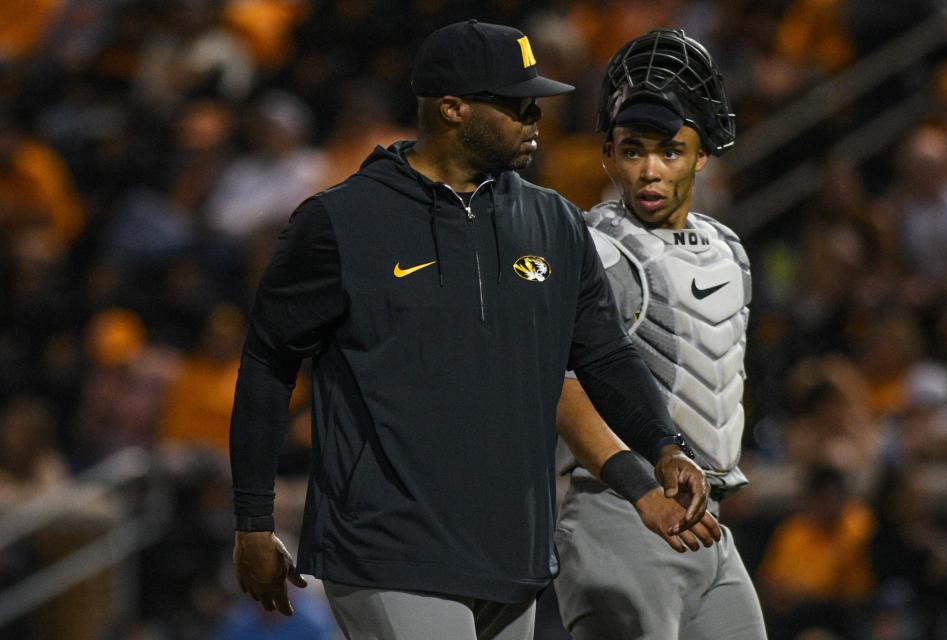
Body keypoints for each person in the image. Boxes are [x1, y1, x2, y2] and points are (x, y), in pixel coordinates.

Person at [229, 20, 717, 640]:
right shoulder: (342, 221)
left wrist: (665, 444)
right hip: (388, 547)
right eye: (516, 104)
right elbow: (268, 365)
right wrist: (253, 520)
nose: (536, 116)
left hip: (512, 555)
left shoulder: (554, 222)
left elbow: (604, 355)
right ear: (452, 108)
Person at [552, 29, 767, 639]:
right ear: (608, 156)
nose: (648, 169)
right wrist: (639, 485)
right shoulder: (594, 248)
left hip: (709, 520)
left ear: (702, 156)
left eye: (669, 150)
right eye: (631, 149)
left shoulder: (729, 249)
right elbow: (562, 387)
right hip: (619, 511)